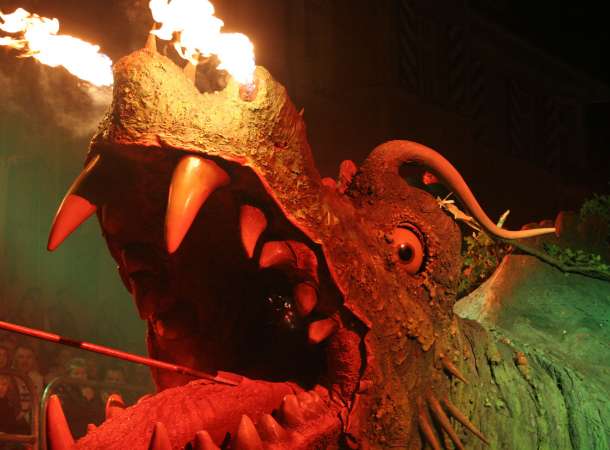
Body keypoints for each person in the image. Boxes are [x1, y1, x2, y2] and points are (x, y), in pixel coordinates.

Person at [55, 358, 103, 438]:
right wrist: (85, 399)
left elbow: (98, 414)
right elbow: (71, 415)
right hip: (72, 434)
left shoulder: (93, 390)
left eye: (83, 373)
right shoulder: (62, 391)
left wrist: (91, 399)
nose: (81, 377)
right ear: (68, 376)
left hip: (91, 434)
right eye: (76, 374)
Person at [11, 345, 42, 428]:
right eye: (21, 357)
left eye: (29, 357)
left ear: (33, 360)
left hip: (32, 422)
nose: (25, 361)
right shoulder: (9, 377)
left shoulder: (39, 379)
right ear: (15, 359)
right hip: (12, 421)